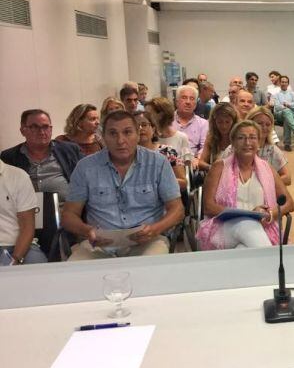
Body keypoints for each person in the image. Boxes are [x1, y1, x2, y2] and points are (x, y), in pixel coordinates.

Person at [61, 110, 184, 260]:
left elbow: (177, 210)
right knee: (75, 269)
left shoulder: (158, 163)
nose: (120, 140)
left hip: (148, 241)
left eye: (127, 132)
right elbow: (69, 215)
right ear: (103, 137)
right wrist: (87, 231)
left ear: (137, 135)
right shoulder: (85, 167)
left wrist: (155, 229)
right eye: (113, 133)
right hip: (98, 244)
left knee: (151, 267)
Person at [196, 120, 294, 250]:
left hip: (262, 229)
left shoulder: (268, 169)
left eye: (252, 137)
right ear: (233, 143)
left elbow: (289, 203)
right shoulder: (219, 167)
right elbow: (208, 207)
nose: (247, 142)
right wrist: (248, 215)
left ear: (258, 142)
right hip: (223, 228)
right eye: (241, 138)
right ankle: (271, 259)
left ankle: (264, 259)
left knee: (243, 249)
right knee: (247, 224)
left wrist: (270, 214)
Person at [1, 109, 82, 201]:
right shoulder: (9, 157)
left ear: (51, 129)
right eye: (34, 127)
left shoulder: (69, 150)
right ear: (22, 131)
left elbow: (85, 181)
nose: (42, 132)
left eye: (45, 127)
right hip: (25, 209)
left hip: (67, 208)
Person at [0, 159, 48, 265]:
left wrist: (15, 259)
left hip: (17, 245)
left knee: (37, 264)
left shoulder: (18, 176)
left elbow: (27, 227)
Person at [136, 111, 187, 192]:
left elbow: (183, 183)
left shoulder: (168, 152)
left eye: (144, 125)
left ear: (153, 129)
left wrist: (159, 181)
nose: (140, 128)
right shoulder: (127, 155)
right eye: (136, 126)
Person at [248, 106, 291, 186]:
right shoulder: (235, 148)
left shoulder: (272, 150)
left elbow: (287, 178)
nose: (264, 127)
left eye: (268, 124)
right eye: (259, 123)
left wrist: (264, 184)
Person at [172, 84, 209, 161]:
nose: (188, 102)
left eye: (192, 99)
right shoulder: (167, 121)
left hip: (193, 162)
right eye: (184, 98)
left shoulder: (203, 124)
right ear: (176, 101)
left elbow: (204, 147)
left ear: (195, 104)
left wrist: (198, 159)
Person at [199, 102, 239, 172]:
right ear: (214, 122)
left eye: (227, 122)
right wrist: (214, 169)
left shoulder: (239, 138)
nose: (224, 126)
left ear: (234, 122)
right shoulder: (211, 138)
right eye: (220, 122)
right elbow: (201, 163)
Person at [271, 75, 294, 151]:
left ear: (288, 84)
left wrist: (288, 104)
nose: (284, 83)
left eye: (285, 82)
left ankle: (287, 144)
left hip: (291, 115)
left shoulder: (292, 94)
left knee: (287, 119)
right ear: (280, 83)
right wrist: (286, 108)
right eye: (282, 82)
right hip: (279, 114)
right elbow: (277, 107)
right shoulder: (275, 95)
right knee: (286, 112)